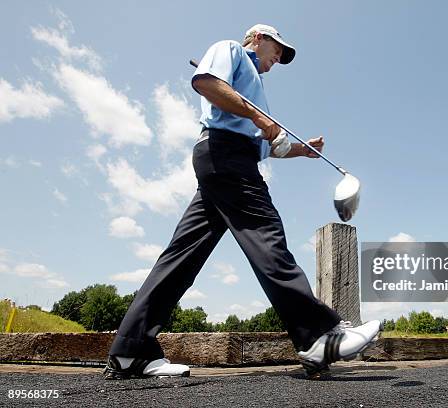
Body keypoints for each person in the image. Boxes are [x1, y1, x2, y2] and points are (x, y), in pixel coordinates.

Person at [103, 24, 380, 381]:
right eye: (277, 49)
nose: (278, 58)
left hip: (229, 158)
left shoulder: (255, 90)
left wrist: (300, 150)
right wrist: (260, 118)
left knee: (181, 257)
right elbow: (206, 82)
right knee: (267, 236)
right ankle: (318, 335)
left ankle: (131, 350)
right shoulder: (231, 50)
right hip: (225, 155)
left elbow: (264, 144)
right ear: (259, 38)